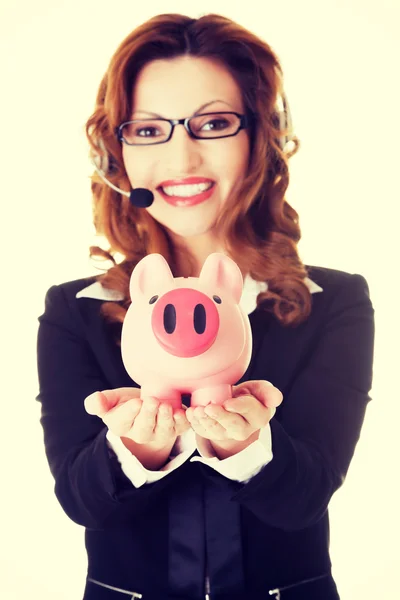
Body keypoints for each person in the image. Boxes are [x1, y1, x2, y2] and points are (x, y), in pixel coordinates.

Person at [36, 12, 375, 600]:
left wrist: (247, 446)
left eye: (213, 123)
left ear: (260, 135)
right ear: (115, 156)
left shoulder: (334, 303)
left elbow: (307, 496)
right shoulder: (76, 311)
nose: (183, 158)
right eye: (147, 130)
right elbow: (79, 499)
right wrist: (135, 449)